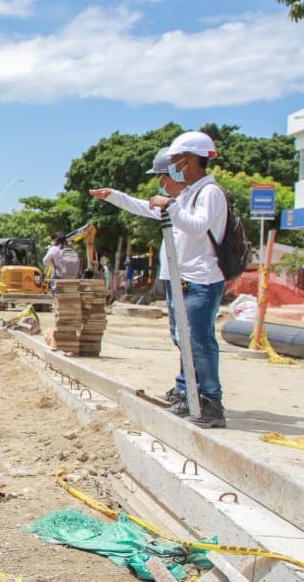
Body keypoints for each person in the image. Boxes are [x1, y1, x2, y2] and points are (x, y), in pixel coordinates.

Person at [88, 132, 228, 428]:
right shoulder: (186, 196)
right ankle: (188, 391)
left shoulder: (209, 193)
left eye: (175, 164)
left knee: (198, 341)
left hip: (200, 279)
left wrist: (170, 205)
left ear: (189, 161)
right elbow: (145, 206)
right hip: (182, 280)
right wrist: (115, 196)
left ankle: (210, 401)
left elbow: (197, 226)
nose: (167, 175)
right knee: (184, 341)